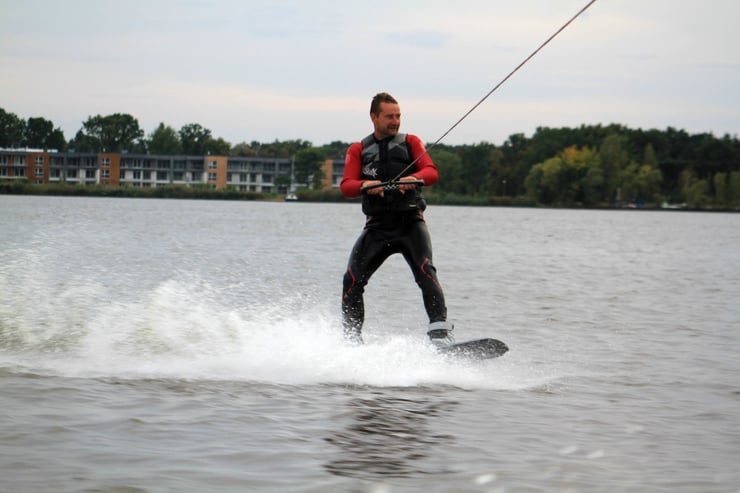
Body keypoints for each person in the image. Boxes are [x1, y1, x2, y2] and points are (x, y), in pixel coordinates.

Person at [340, 92, 454, 346]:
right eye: (389, 116)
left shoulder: (411, 142)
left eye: (398, 116)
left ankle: (439, 337)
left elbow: (431, 172)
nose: (395, 121)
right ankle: (351, 343)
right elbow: (346, 186)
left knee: (426, 272)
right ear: (374, 117)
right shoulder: (358, 149)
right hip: (377, 228)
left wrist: (413, 179)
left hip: (410, 224)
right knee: (351, 280)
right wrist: (366, 184)